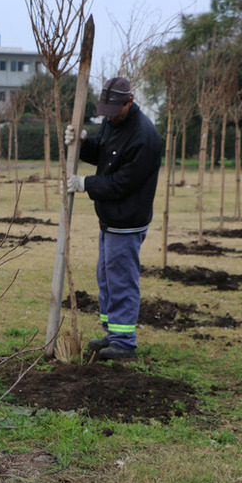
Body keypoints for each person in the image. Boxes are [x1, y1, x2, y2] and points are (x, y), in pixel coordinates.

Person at [63, 76, 162, 360]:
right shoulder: (112, 120)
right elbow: (104, 154)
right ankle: (112, 333)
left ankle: (124, 342)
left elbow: (121, 183)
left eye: (113, 110)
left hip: (127, 220)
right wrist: (83, 143)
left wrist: (85, 184)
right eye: (104, 111)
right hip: (109, 219)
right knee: (105, 278)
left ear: (129, 102)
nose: (107, 117)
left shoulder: (144, 137)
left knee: (121, 279)